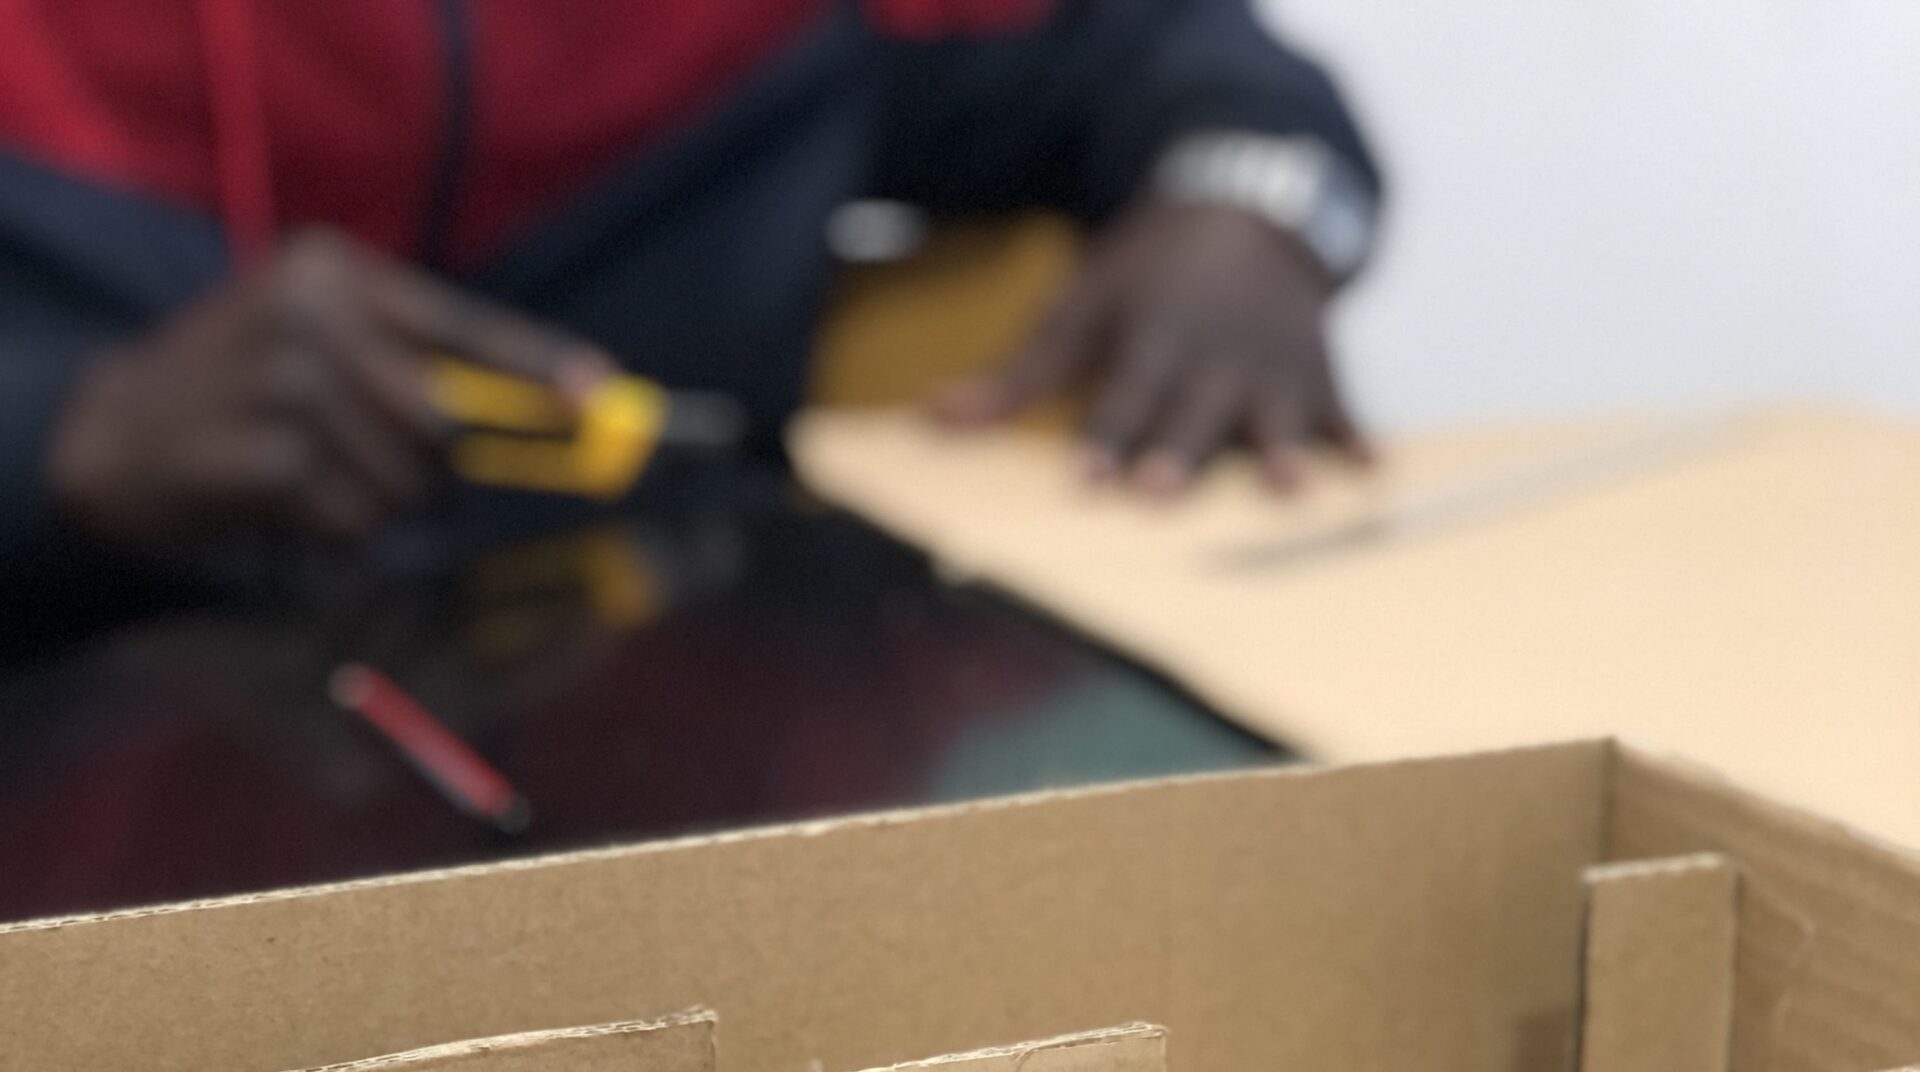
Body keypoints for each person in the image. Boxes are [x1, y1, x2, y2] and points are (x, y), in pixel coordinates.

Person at [0, 1, 1383, 589]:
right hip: (86, 818)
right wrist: (66, 434)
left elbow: (1188, 67)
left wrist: (1252, 205)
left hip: (688, 797)